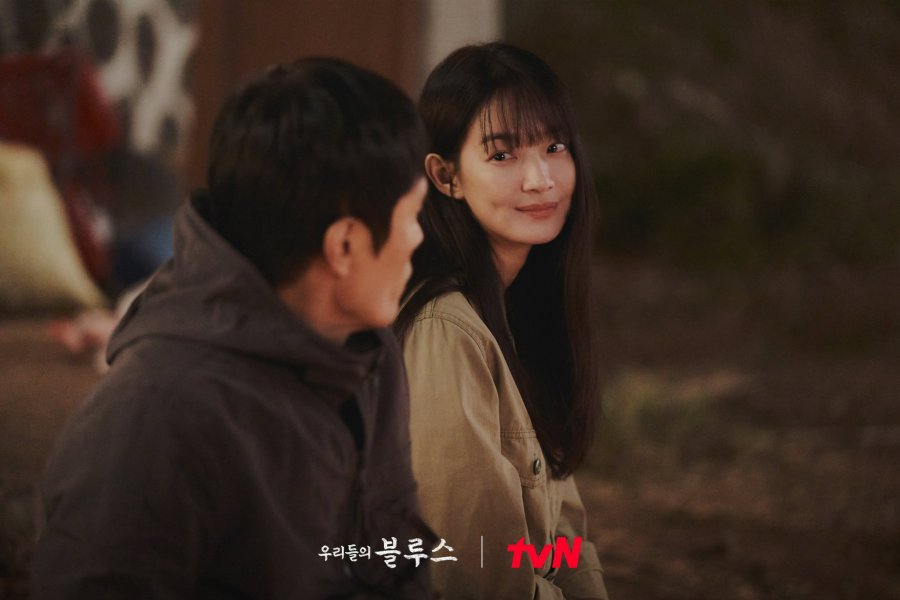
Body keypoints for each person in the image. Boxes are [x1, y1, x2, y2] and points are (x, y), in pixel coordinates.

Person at [32, 57, 434, 599]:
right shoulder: (152, 419)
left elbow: (399, 553)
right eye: (412, 216)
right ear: (343, 245)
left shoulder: (370, 353)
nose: (419, 238)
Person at [394, 42, 609, 599]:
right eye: (502, 155)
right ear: (446, 176)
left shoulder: (516, 308)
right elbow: (475, 575)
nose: (540, 179)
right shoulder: (446, 328)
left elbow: (563, 541)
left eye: (554, 147)